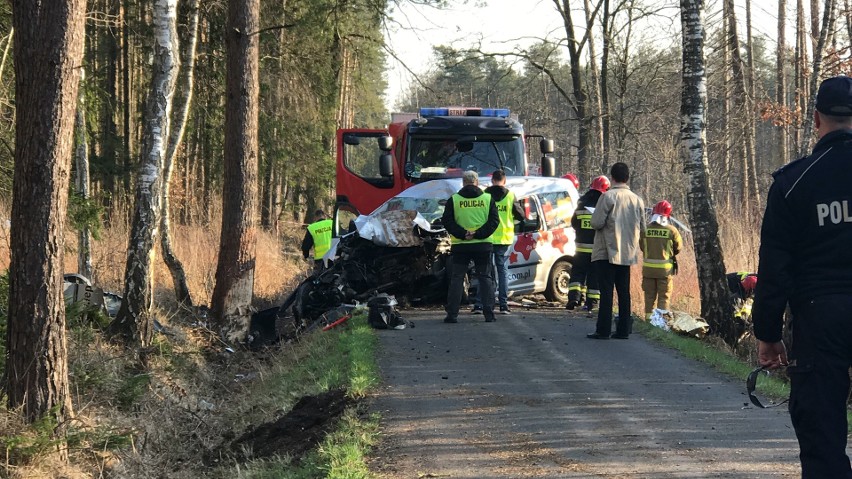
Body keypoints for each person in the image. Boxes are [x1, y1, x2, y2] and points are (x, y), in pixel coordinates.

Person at [752, 75, 852, 478]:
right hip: (821, 312)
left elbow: (775, 267)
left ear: (815, 119)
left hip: (819, 317)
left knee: (821, 431)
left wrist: (768, 333)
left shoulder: (793, 184)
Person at [586, 162, 645, 340]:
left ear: (612, 177)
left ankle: (603, 330)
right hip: (627, 253)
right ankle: (623, 330)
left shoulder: (607, 197)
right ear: (627, 178)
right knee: (624, 292)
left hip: (606, 252)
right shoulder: (637, 200)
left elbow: (595, 222)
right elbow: (643, 227)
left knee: (606, 292)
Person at [441, 170, 499, 323]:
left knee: (457, 279)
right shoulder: (488, 199)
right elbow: (494, 221)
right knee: (485, 278)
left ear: (463, 182)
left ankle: (452, 314)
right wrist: (478, 233)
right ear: (477, 182)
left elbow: (447, 221)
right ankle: (489, 314)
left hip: (461, 246)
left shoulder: (454, 200)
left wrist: (463, 233)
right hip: (483, 245)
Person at [470, 170, 525, 314]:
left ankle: (479, 304)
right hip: (504, 239)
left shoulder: (484, 195)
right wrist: (511, 221)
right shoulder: (510, 196)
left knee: (484, 271)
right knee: (502, 271)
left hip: (486, 238)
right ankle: (503, 305)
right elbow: (521, 215)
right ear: (504, 180)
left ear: (492, 180)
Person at [566, 175, 610, 311]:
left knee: (578, 273)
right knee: (594, 276)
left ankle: (574, 298)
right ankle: (592, 302)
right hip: (596, 250)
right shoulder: (604, 205)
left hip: (580, 248)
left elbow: (573, 223)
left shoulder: (581, 203)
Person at [640, 200, 682, 320]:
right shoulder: (672, 231)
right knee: (664, 296)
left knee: (649, 296)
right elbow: (678, 248)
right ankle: (660, 322)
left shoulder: (645, 229)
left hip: (648, 270)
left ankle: (648, 319)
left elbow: (642, 246)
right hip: (665, 271)